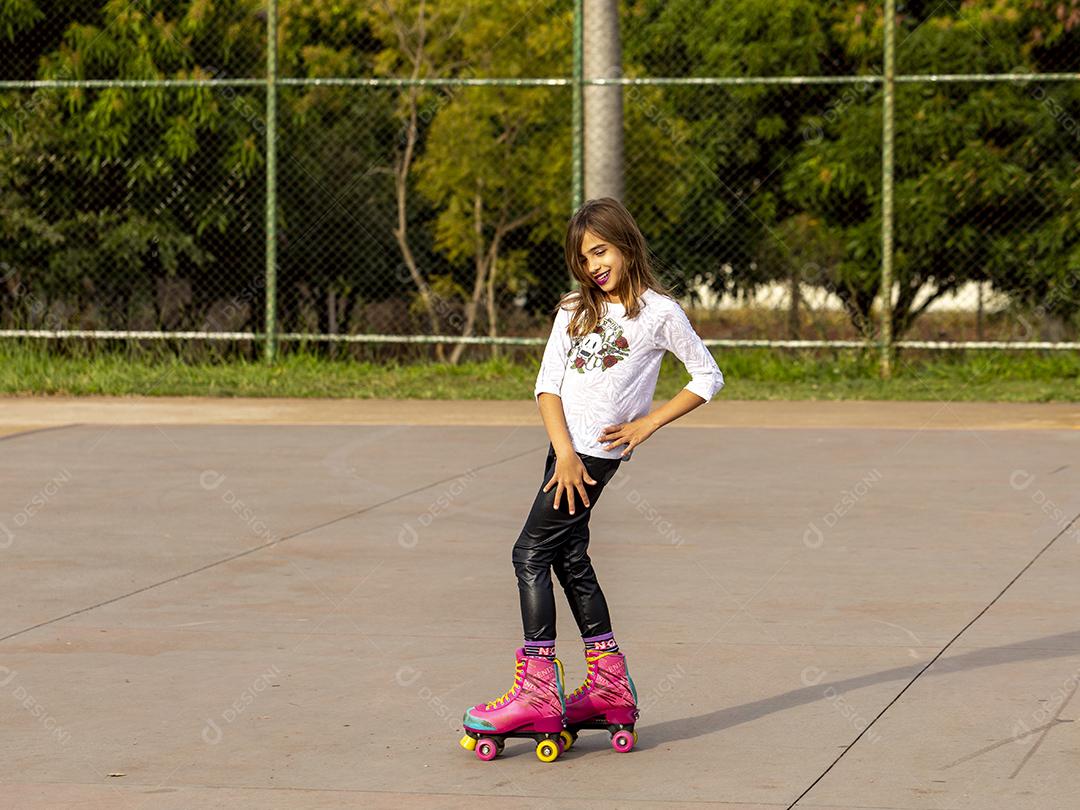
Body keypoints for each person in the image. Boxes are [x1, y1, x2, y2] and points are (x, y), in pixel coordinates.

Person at [460, 197, 725, 761]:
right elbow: (547, 385)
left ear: (626, 244)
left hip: (595, 456)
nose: (593, 266)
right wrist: (562, 454)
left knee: (528, 553)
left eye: (600, 252)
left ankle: (536, 691)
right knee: (567, 556)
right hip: (564, 452)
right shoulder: (572, 310)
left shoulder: (658, 314)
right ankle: (607, 685)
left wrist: (647, 424)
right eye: (583, 259)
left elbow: (707, 375)